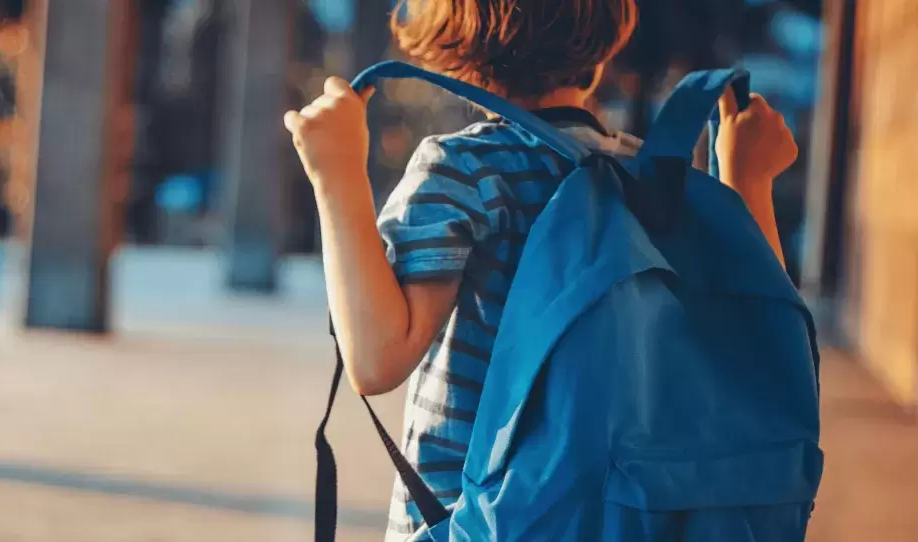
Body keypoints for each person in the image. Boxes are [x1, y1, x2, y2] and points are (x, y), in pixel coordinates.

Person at [281, 0, 799, 539]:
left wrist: (335, 174)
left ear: (452, 42)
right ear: (604, 47)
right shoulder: (650, 182)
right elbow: (756, 346)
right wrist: (747, 182)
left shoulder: (464, 171)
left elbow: (377, 358)